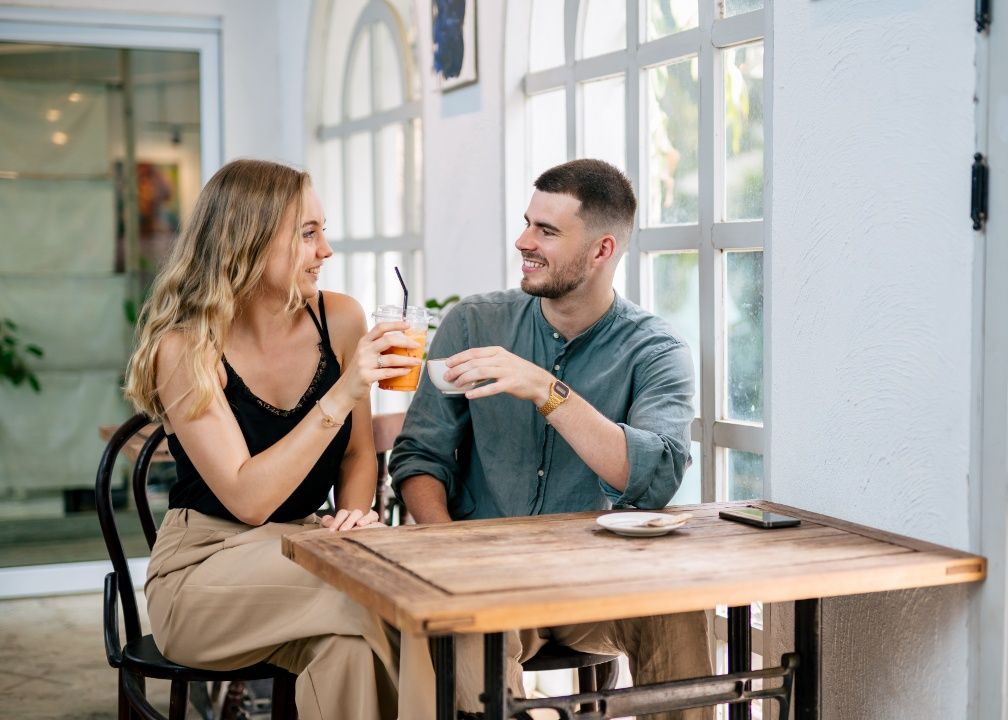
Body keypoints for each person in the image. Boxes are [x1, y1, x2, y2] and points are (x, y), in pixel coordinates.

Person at [390, 158, 713, 719]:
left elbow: (656, 477)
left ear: (602, 250)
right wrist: (449, 550)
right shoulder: (474, 324)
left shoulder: (656, 350)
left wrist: (546, 389)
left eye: (547, 231)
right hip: (485, 576)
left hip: (598, 582)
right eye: (527, 223)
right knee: (469, 628)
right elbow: (420, 456)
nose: (524, 241)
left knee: (679, 608)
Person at [125, 158, 419, 720]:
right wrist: (341, 393)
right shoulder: (186, 347)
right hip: (205, 570)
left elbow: (359, 454)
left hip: (304, 547)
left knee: (352, 653)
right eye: (307, 234)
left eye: (323, 231)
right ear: (249, 243)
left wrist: (353, 519)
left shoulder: (340, 319)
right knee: (380, 593)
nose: (325, 250)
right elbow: (249, 500)